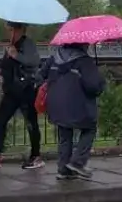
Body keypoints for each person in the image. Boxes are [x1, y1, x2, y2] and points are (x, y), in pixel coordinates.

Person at [0, 22, 43, 170]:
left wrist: (15, 55)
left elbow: (34, 62)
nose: (9, 32)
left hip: (26, 90)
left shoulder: (28, 44)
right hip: (12, 91)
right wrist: (0, 67)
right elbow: (6, 66)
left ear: (20, 29)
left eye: (11, 29)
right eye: (9, 29)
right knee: (1, 120)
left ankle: (36, 156)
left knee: (31, 123)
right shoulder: (11, 45)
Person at [40, 42, 105, 180]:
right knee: (90, 128)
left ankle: (63, 169)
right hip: (78, 104)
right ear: (82, 44)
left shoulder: (53, 58)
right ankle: (78, 162)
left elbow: (41, 75)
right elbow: (93, 87)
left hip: (56, 103)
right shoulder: (84, 61)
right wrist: (100, 81)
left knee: (64, 133)